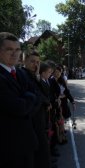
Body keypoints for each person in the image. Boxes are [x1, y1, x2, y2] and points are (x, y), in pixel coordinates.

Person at [0, 32, 38, 168]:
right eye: (9, 49)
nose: (14, 53)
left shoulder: (20, 73)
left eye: (17, 49)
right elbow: (19, 108)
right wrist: (29, 98)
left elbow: (36, 99)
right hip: (8, 149)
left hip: (27, 142)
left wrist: (27, 100)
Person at [22, 50, 51, 168]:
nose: (35, 65)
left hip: (40, 119)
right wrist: (45, 101)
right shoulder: (22, 74)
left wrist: (38, 76)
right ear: (24, 61)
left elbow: (45, 91)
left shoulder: (34, 75)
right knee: (39, 151)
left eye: (38, 62)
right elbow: (36, 95)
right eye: (32, 61)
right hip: (32, 121)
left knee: (43, 150)